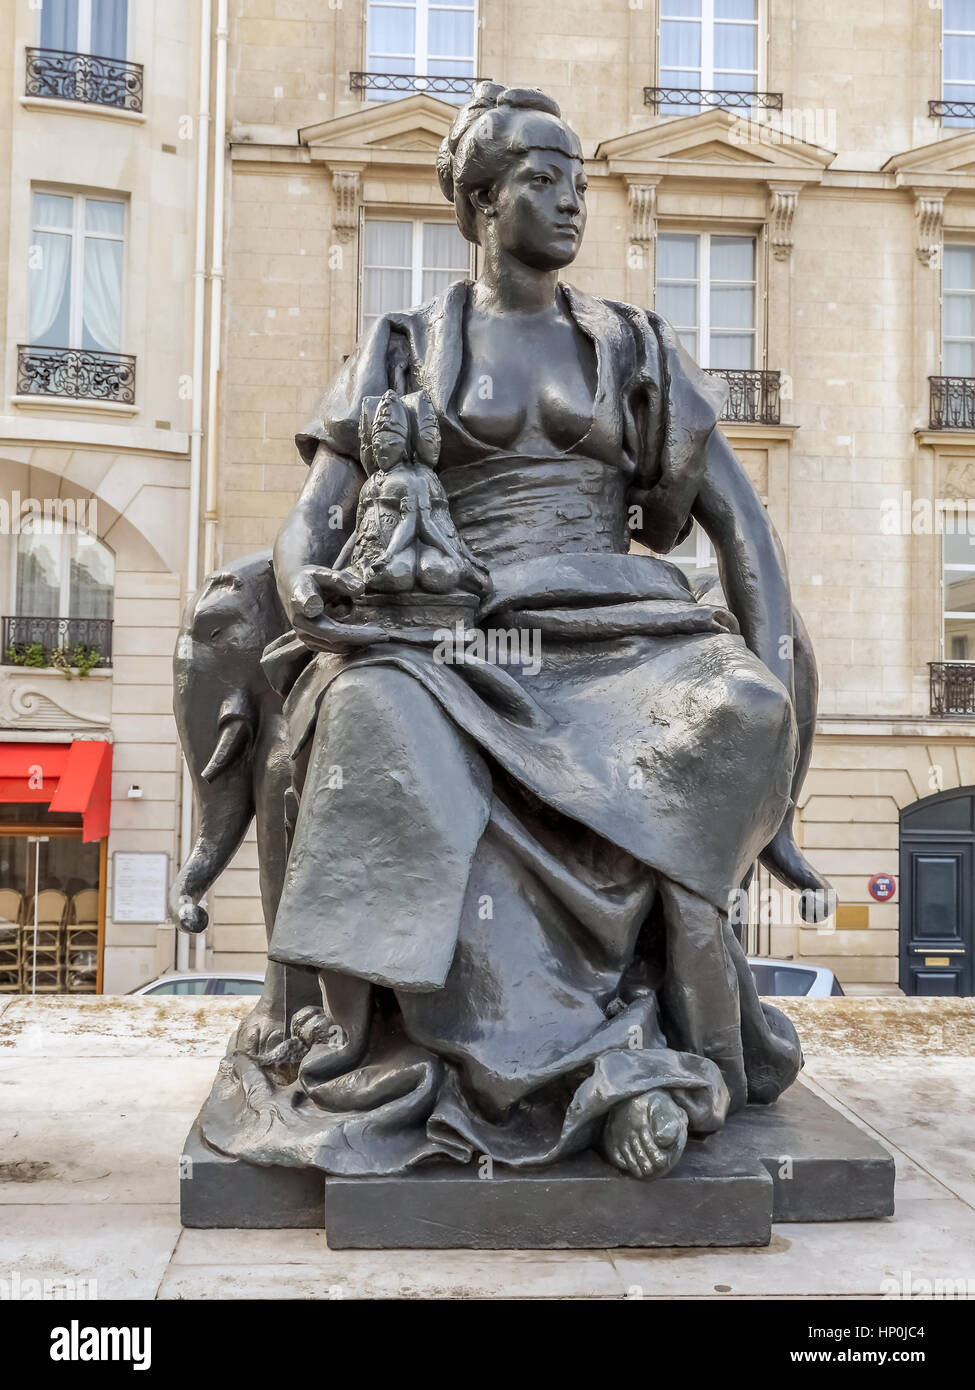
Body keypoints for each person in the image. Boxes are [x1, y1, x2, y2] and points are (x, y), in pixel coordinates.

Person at [202, 83, 831, 1182]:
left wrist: (780, 727)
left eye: (580, 180)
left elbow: (744, 532)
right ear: (483, 204)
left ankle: (630, 1052)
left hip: (614, 628)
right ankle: (590, 1067)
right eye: (544, 179)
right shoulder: (404, 347)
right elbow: (314, 521)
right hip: (457, 630)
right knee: (374, 714)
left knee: (730, 705)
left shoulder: (631, 346)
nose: (573, 201)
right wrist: (309, 598)